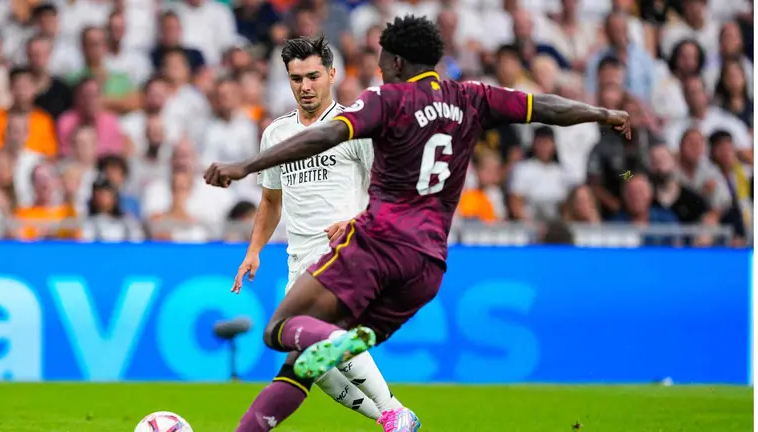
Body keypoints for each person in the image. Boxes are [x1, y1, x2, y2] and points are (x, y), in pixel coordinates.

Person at [204, 15, 629, 432]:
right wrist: (602, 113)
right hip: (427, 266)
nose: (378, 69)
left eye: (382, 60)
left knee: (279, 330)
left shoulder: (387, 100)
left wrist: (246, 165)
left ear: (398, 62)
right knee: (304, 367)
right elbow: (543, 106)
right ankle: (382, 405)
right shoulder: (472, 97)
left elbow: (328, 134)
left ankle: (339, 350)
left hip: (375, 244)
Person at [232, 35, 407, 431]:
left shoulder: (354, 127)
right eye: (296, 79)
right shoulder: (276, 134)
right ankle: (392, 416)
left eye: (313, 76)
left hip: (347, 253)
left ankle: (392, 412)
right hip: (299, 261)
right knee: (314, 364)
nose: (305, 87)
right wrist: (253, 251)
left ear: (331, 74)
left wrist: (356, 222)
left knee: (321, 338)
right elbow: (271, 201)